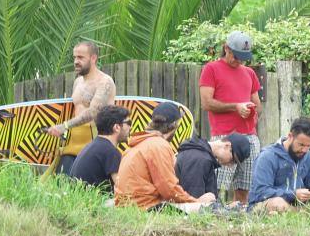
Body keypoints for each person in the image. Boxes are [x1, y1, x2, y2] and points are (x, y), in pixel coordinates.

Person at [115, 102, 215, 212]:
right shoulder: (159, 145)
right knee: (208, 203)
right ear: (175, 125)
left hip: (127, 208)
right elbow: (170, 190)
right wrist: (197, 202)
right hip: (145, 208)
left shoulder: (136, 145)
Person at [199, 30, 262, 204]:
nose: (239, 61)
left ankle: (240, 219)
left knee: (245, 186)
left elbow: (258, 105)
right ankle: (213, 217)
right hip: (224, 137)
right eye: (236, 56)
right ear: (226, 48)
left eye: (243, 57)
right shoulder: (211, 69)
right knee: (216, 186)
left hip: (249, 136)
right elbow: (206, 103)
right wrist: (235, 107)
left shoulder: (249, 73)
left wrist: (250, 109)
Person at [249, 117, 310, 223]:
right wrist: (293, 194)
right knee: (277, 204)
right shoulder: (267, 156)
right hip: (270, 205)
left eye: (308, 146)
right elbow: (260, 192)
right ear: (290, 136)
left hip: (300, 208)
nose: (304, 150)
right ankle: (306, 221)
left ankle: (301, 221)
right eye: (301, 144)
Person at [46, 41, 116, 174]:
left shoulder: (105, 82)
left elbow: (93, 112)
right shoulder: (78, 82)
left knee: (84, 187)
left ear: (93, 58)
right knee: (62, 183)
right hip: (73, 143)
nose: (76, 61)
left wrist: (64, 126)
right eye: (75, 57)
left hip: (95, 143)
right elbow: (75, 111)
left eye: (81, 57)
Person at [68, 105, 131, 191]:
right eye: (128, 123)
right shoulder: (110, 152)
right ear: (116, 127)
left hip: (80, 200)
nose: (130, 127)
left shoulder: (93, 146)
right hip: (93, 202)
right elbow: (123, 188)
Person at [175, 133, 251, 199]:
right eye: (232, 160)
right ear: (227, 146)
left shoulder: (204, 155)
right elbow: (193, 202)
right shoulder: (199, 159)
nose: (230, 166)